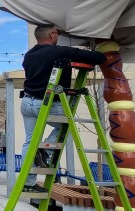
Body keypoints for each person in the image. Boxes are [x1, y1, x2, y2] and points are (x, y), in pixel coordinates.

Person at [21, 24, 105, 192]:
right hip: (47, 104)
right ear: (52, 34)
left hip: (27, 102)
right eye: (57, 33)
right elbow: (97, 58)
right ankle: (45, 148)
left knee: (29, 141)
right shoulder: (58, 52)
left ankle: (28, 184)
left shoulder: (29, 55)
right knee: (66, 125)